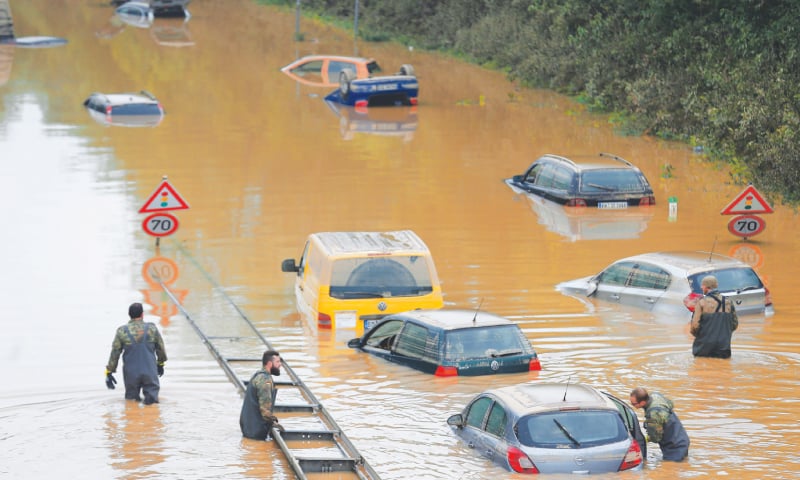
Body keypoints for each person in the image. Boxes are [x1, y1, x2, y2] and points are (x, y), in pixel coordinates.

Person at [105, 302, 167, 405]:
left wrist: (109, 372)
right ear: (142, 314)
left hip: (131, 374)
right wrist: (160, 364)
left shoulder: (122, 331)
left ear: (129, 315)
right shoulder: (152, 329)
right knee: (152, 405)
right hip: (150, 372)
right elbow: (161, 349)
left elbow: (115, 353)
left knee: (131, 403)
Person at [630, 387, 690, 462]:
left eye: (633, 403)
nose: (632, 405)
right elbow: (671, 404)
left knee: (670, 469)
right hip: (682, 437)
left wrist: (646, 438)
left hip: (674, 447)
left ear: (642, 402)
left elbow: (656, 438)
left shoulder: (653, 415)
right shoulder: (655, 396)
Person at [690, 275, 738, 358]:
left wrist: (701, 336)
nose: (701, 287)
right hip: (723, 347)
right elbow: (734, 324)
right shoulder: (728, 302)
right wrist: (723, 334)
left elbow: (694, 326)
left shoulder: (701, 303)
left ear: (706, 286)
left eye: (702, 285)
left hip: (703, 348)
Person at [240, 350, 284, 440]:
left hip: (248, 426)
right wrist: (274, 421)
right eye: (278, 362)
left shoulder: (257, 375)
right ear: (269, 363)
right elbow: (265, 410)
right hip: (256, 430)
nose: (280, 365)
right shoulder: (265, 380)